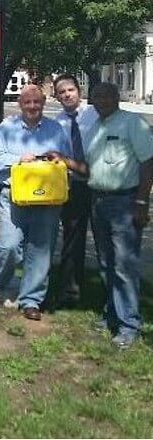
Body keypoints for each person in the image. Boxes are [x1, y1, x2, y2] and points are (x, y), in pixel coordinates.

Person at [0, 84, 86, 320]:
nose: (32, 107)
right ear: (20, 104)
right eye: (28, 102)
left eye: (37, 102)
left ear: (43, 103)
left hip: (47, 198)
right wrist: (18, 159)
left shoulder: (55, 130)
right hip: (14, 195)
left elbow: (66, 160)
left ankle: (31, 300)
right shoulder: (7, 129)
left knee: (40, 249)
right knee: (9, 245)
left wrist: (57, 160)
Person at [85, 83, 153, 348]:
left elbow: (148, 163)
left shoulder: (132, 123)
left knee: (124, 266)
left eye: (105, 95)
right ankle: (111, 315)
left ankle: (129, 326)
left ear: (117, 98)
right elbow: (91, 168)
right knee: (106, 262)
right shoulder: (95, 128)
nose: (100, 100)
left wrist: (141, 202)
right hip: (98, 201)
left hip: (125, 202)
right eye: (96, 96)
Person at [52, 74, 98, 308]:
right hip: (73, 185)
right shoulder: (56, 123)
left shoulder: (95, 113)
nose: (67, 94)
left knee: (105, 241)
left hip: (100, 183)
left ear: (79, 91)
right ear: (57, 96)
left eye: (71, 89)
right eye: (62, 92)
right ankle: (70, 293)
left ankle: (111, 294)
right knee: (72, 239)